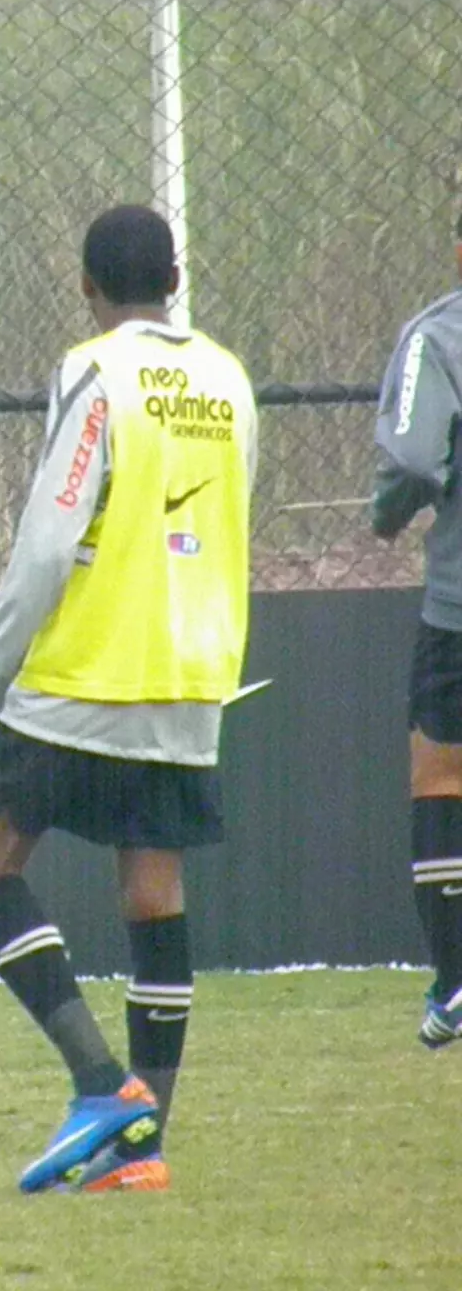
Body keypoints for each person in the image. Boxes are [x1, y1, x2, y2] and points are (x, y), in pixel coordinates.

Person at [0, 204, 257, 1195]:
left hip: (85, 669)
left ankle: (99, 1087)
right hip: (194, 669)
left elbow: (45, 538)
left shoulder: (94, 372)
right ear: (175, 274)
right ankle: (143, 1149)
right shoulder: (226, 377)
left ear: (85, 285)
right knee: (151, 889)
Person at [371, 213, 462, 1053]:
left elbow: (408, 462)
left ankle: (456, 982)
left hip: (458, 608)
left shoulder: (440, 337)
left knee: (440, 777)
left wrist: (387, 516)